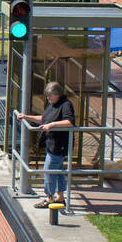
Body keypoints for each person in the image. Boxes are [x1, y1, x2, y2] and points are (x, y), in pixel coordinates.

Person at [17, 81, 75, 209]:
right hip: (51, 144)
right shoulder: (52, 105)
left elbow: (69, 122)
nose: (48, 98)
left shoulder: (66, 105)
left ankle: (49, 197)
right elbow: (44, 118)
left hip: (59, 145)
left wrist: (52, 125)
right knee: (58, 171)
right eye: (47, 96)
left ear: (58, 95)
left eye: (50, 96)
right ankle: (60, 197)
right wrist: (27, 117)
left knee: (48, 170)